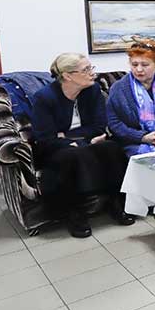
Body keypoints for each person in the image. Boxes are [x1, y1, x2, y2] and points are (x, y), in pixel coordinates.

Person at [31, 53, 135, 238]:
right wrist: (76, 140)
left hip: (86, 142)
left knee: (111, 148)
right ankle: (74, 214)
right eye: (86, 70)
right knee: (73, 155)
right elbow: (45, 138)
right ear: (68, 75)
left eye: (91, 68)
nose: (92, 73)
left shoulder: (92, 90)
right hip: (55, 149)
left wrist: (69, 136)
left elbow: (99, 126)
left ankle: (116, 203)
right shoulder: (44, 98)